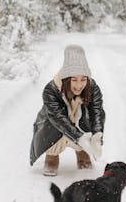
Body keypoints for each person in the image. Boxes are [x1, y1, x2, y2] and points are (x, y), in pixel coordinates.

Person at [30, 45, 105, 176]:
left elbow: (97, 111)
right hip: (54, 127)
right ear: (66, 78)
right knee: (53, 133)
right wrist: (79, 138)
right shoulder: (51, 89)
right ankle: (52, 156)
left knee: (86, 128)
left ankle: (82, 152)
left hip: (78, 124)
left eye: (83, 79)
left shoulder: (92, 87)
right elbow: (58, 118)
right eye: (74, 79)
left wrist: (97, 135)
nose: (79, 85)